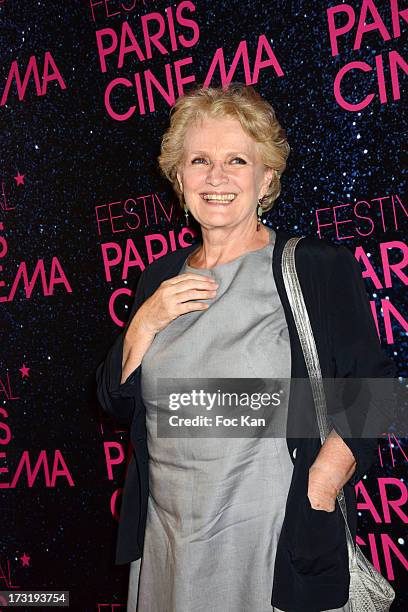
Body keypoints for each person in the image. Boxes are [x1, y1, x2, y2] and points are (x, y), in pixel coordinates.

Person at [96, 83, 396, 612]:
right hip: (167, 535)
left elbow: (374, 396)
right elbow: (116, 403)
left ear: (267, 178)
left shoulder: (313, 267)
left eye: (237, 159)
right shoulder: (158, 279)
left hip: (268, 531)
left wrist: (319, 490)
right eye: (200, 160)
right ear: (179, 177)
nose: (216, 177)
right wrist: (145, 322)